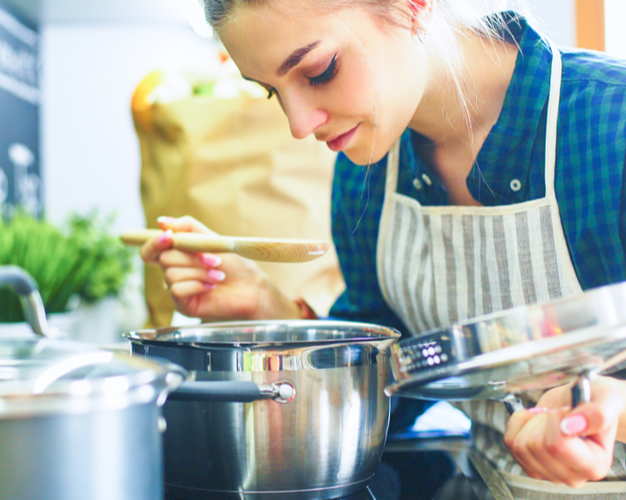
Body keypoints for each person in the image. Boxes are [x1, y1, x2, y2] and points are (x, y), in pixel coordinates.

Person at [138, 0, 626, 498]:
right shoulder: (366, 168)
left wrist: (614, 407)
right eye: (271, 92)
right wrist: (267, 308)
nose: (300, 125)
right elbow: (391, 390)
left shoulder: (611, 124)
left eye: (319, 70)